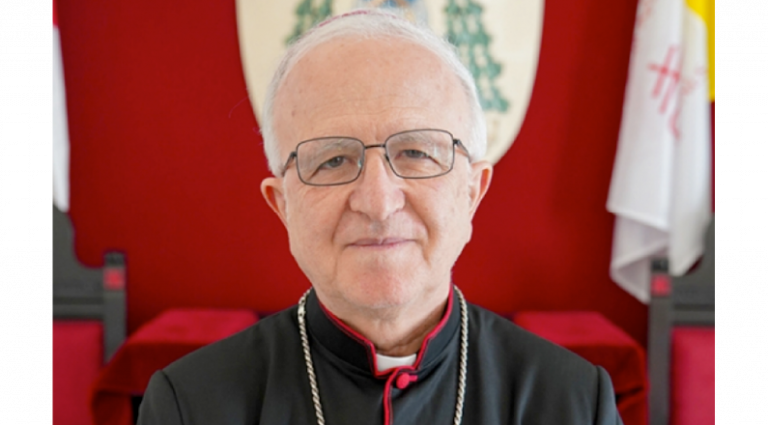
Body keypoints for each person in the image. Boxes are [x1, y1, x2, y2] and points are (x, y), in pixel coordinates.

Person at [138, 10, 624, 425]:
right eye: (332, 160)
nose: (377, 201)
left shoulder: (574, 403)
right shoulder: (190, 407)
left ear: (472, 192)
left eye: (416, 152)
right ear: (282, 205)